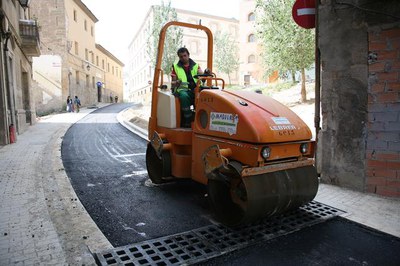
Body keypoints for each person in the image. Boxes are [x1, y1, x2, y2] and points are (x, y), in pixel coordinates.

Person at [171, 47, 206, 128]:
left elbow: (202, 76)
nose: (183, 58)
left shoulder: (196, 66)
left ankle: (201, 120)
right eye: (181, 56)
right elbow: (172, 83)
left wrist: (204, 74)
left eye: (185, 55)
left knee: (205, 95)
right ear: (179, 57)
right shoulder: (176, 67)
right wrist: (176, 82)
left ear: (188, 55)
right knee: (184, 96)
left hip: (195, 90)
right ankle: (188, 119)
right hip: (182, 90)